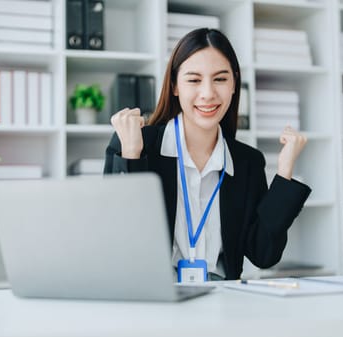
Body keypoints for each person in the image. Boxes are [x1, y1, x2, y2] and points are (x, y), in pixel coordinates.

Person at [104, 28, 311, 281]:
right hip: (156, 293)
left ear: (234, 84)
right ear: (175, 86)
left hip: (223, 299)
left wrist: (285, 172)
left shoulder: (247, 162)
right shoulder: (134, 144)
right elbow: (120, 241)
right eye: (193, 80)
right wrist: (132, 156)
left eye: (220, 79)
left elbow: (263, 254)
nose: (208, 93)